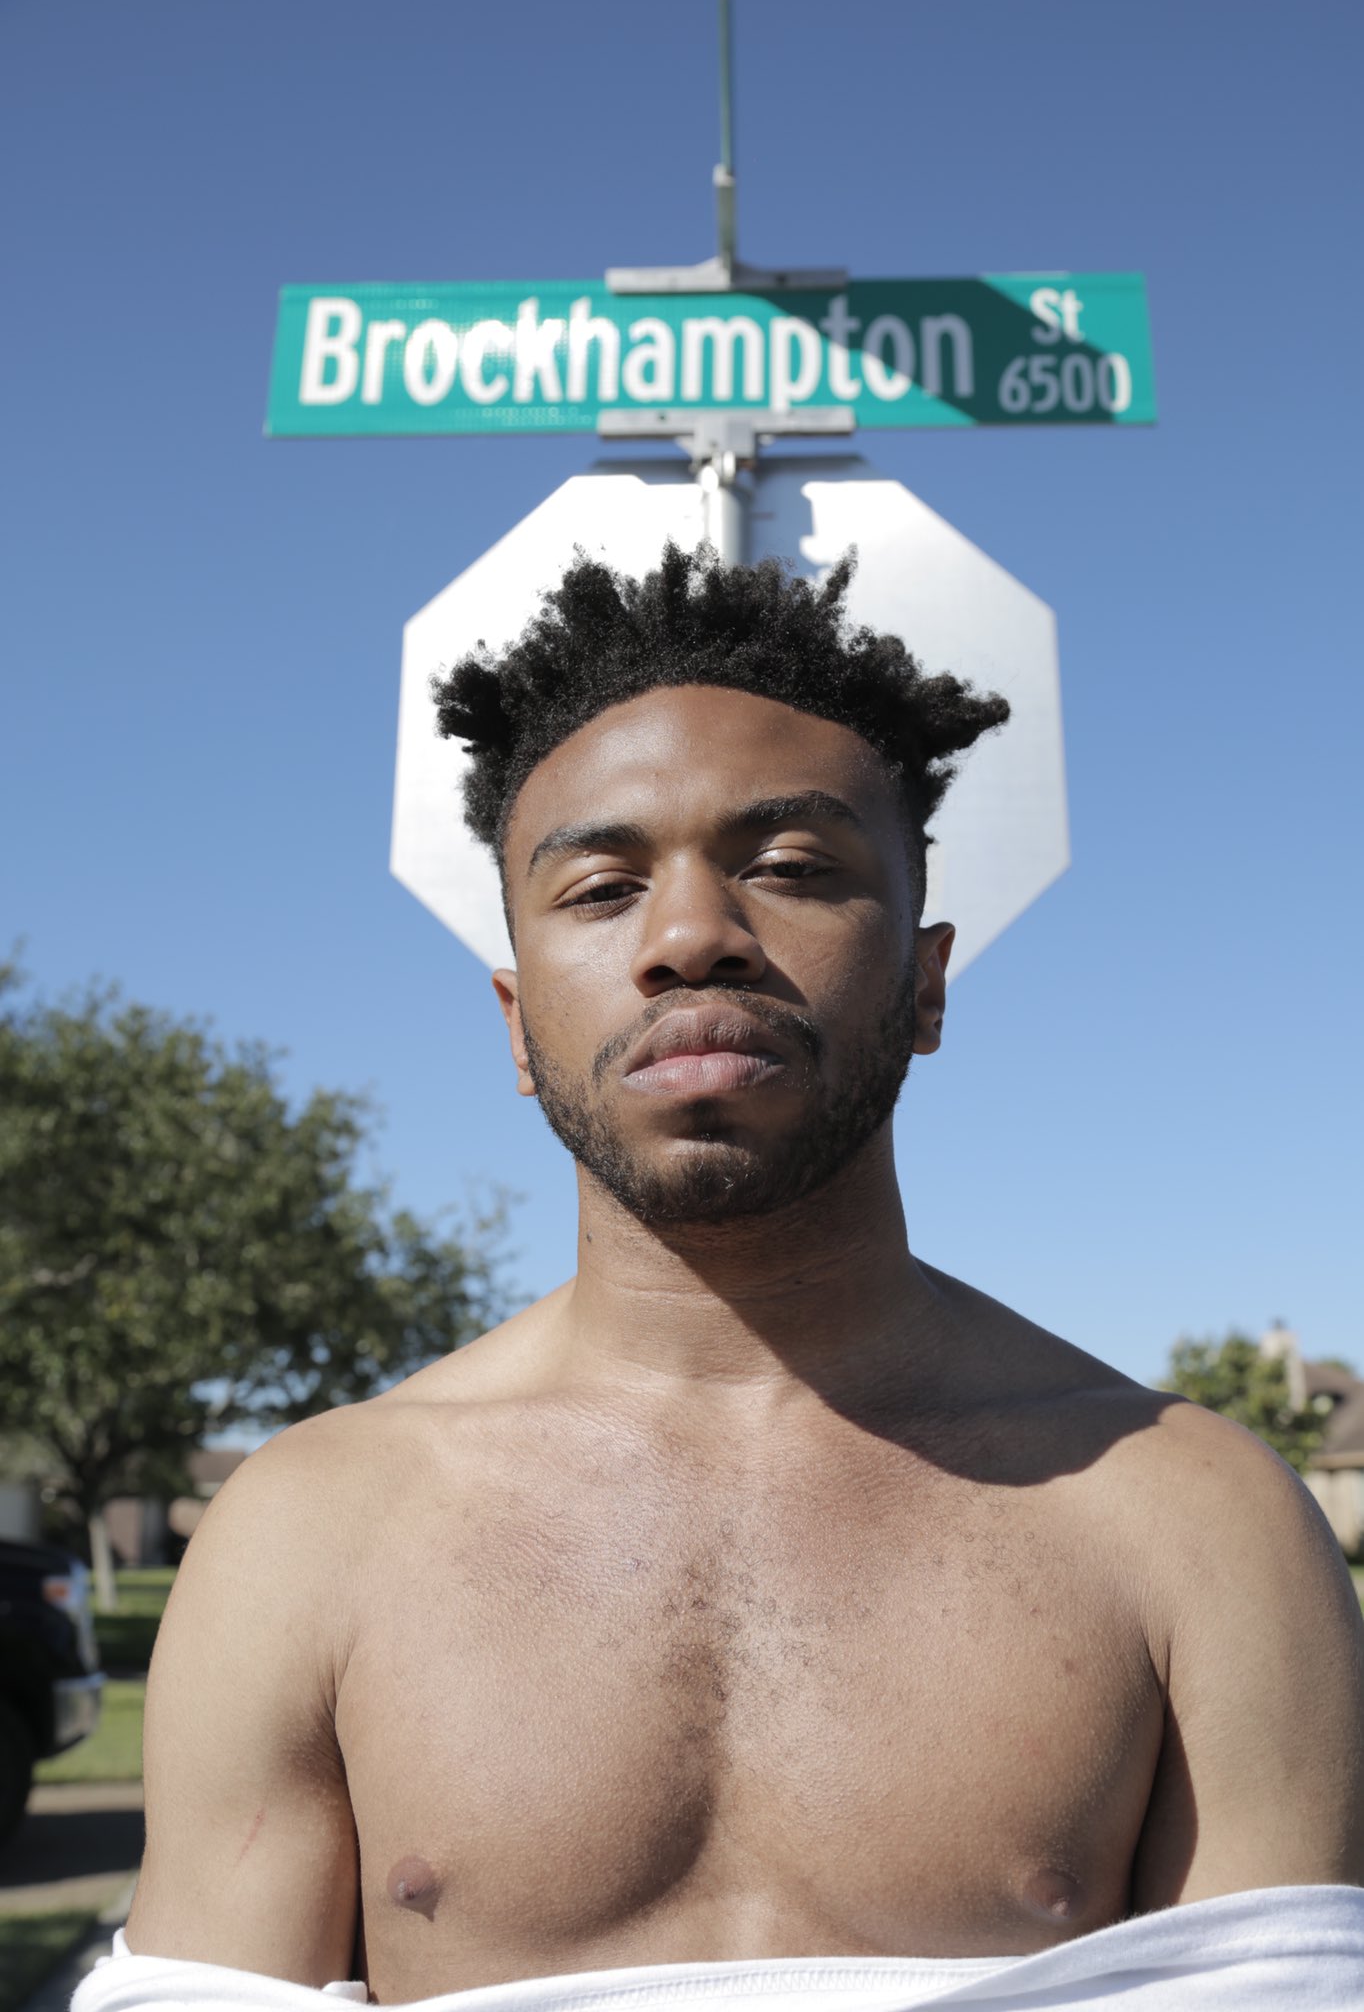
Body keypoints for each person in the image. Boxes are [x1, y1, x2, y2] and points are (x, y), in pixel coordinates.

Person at [113, 545, 1364, 2009]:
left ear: (927, 982)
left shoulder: (1198, 1524)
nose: (692, 937)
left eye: (792, 870)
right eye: (601, 888)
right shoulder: (303, 1537)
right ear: (514, 1025)